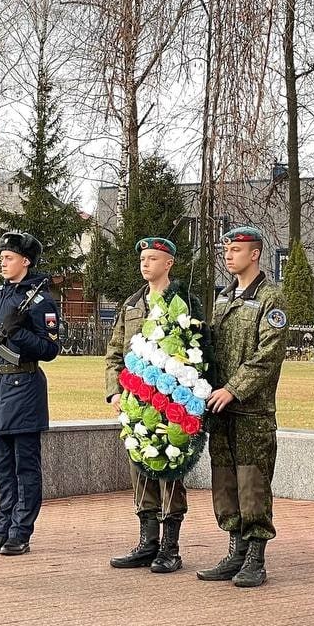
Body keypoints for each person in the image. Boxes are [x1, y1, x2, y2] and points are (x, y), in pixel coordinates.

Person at [106, 237, 209, 573]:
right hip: (137, 404)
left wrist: (190, 398)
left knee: (171, 468)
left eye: (152, 258)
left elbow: (197, 350)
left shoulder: (185, 303)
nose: (145, 264)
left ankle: (171, 547)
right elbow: (115, 352)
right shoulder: (133, 304)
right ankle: (147, 543)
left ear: (169, 264)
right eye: (143, 259)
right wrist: (115, 392)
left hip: (173, 403)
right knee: (141, 468)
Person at [197, 226, 289, 588]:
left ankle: (255, 558)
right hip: (220, 409)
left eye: (236, 249)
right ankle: (234, 550)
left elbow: (268, 357)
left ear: (255, 254)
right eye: (226, 249)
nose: (228, 255)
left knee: (252, 484)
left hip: (251, 411)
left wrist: (233, 390)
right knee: (224, 483)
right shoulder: (223, 298)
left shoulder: (271, 298)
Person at [0, 231, 59, 556]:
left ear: (26, 261)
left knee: (25, 467)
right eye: (2, 257)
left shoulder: (40, 300)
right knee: (2, 466)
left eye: (9, 257)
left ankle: (21, 530)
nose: (3, 261)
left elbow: (49, 349)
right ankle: (2, 525)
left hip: (24, 388)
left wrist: (20, 334)